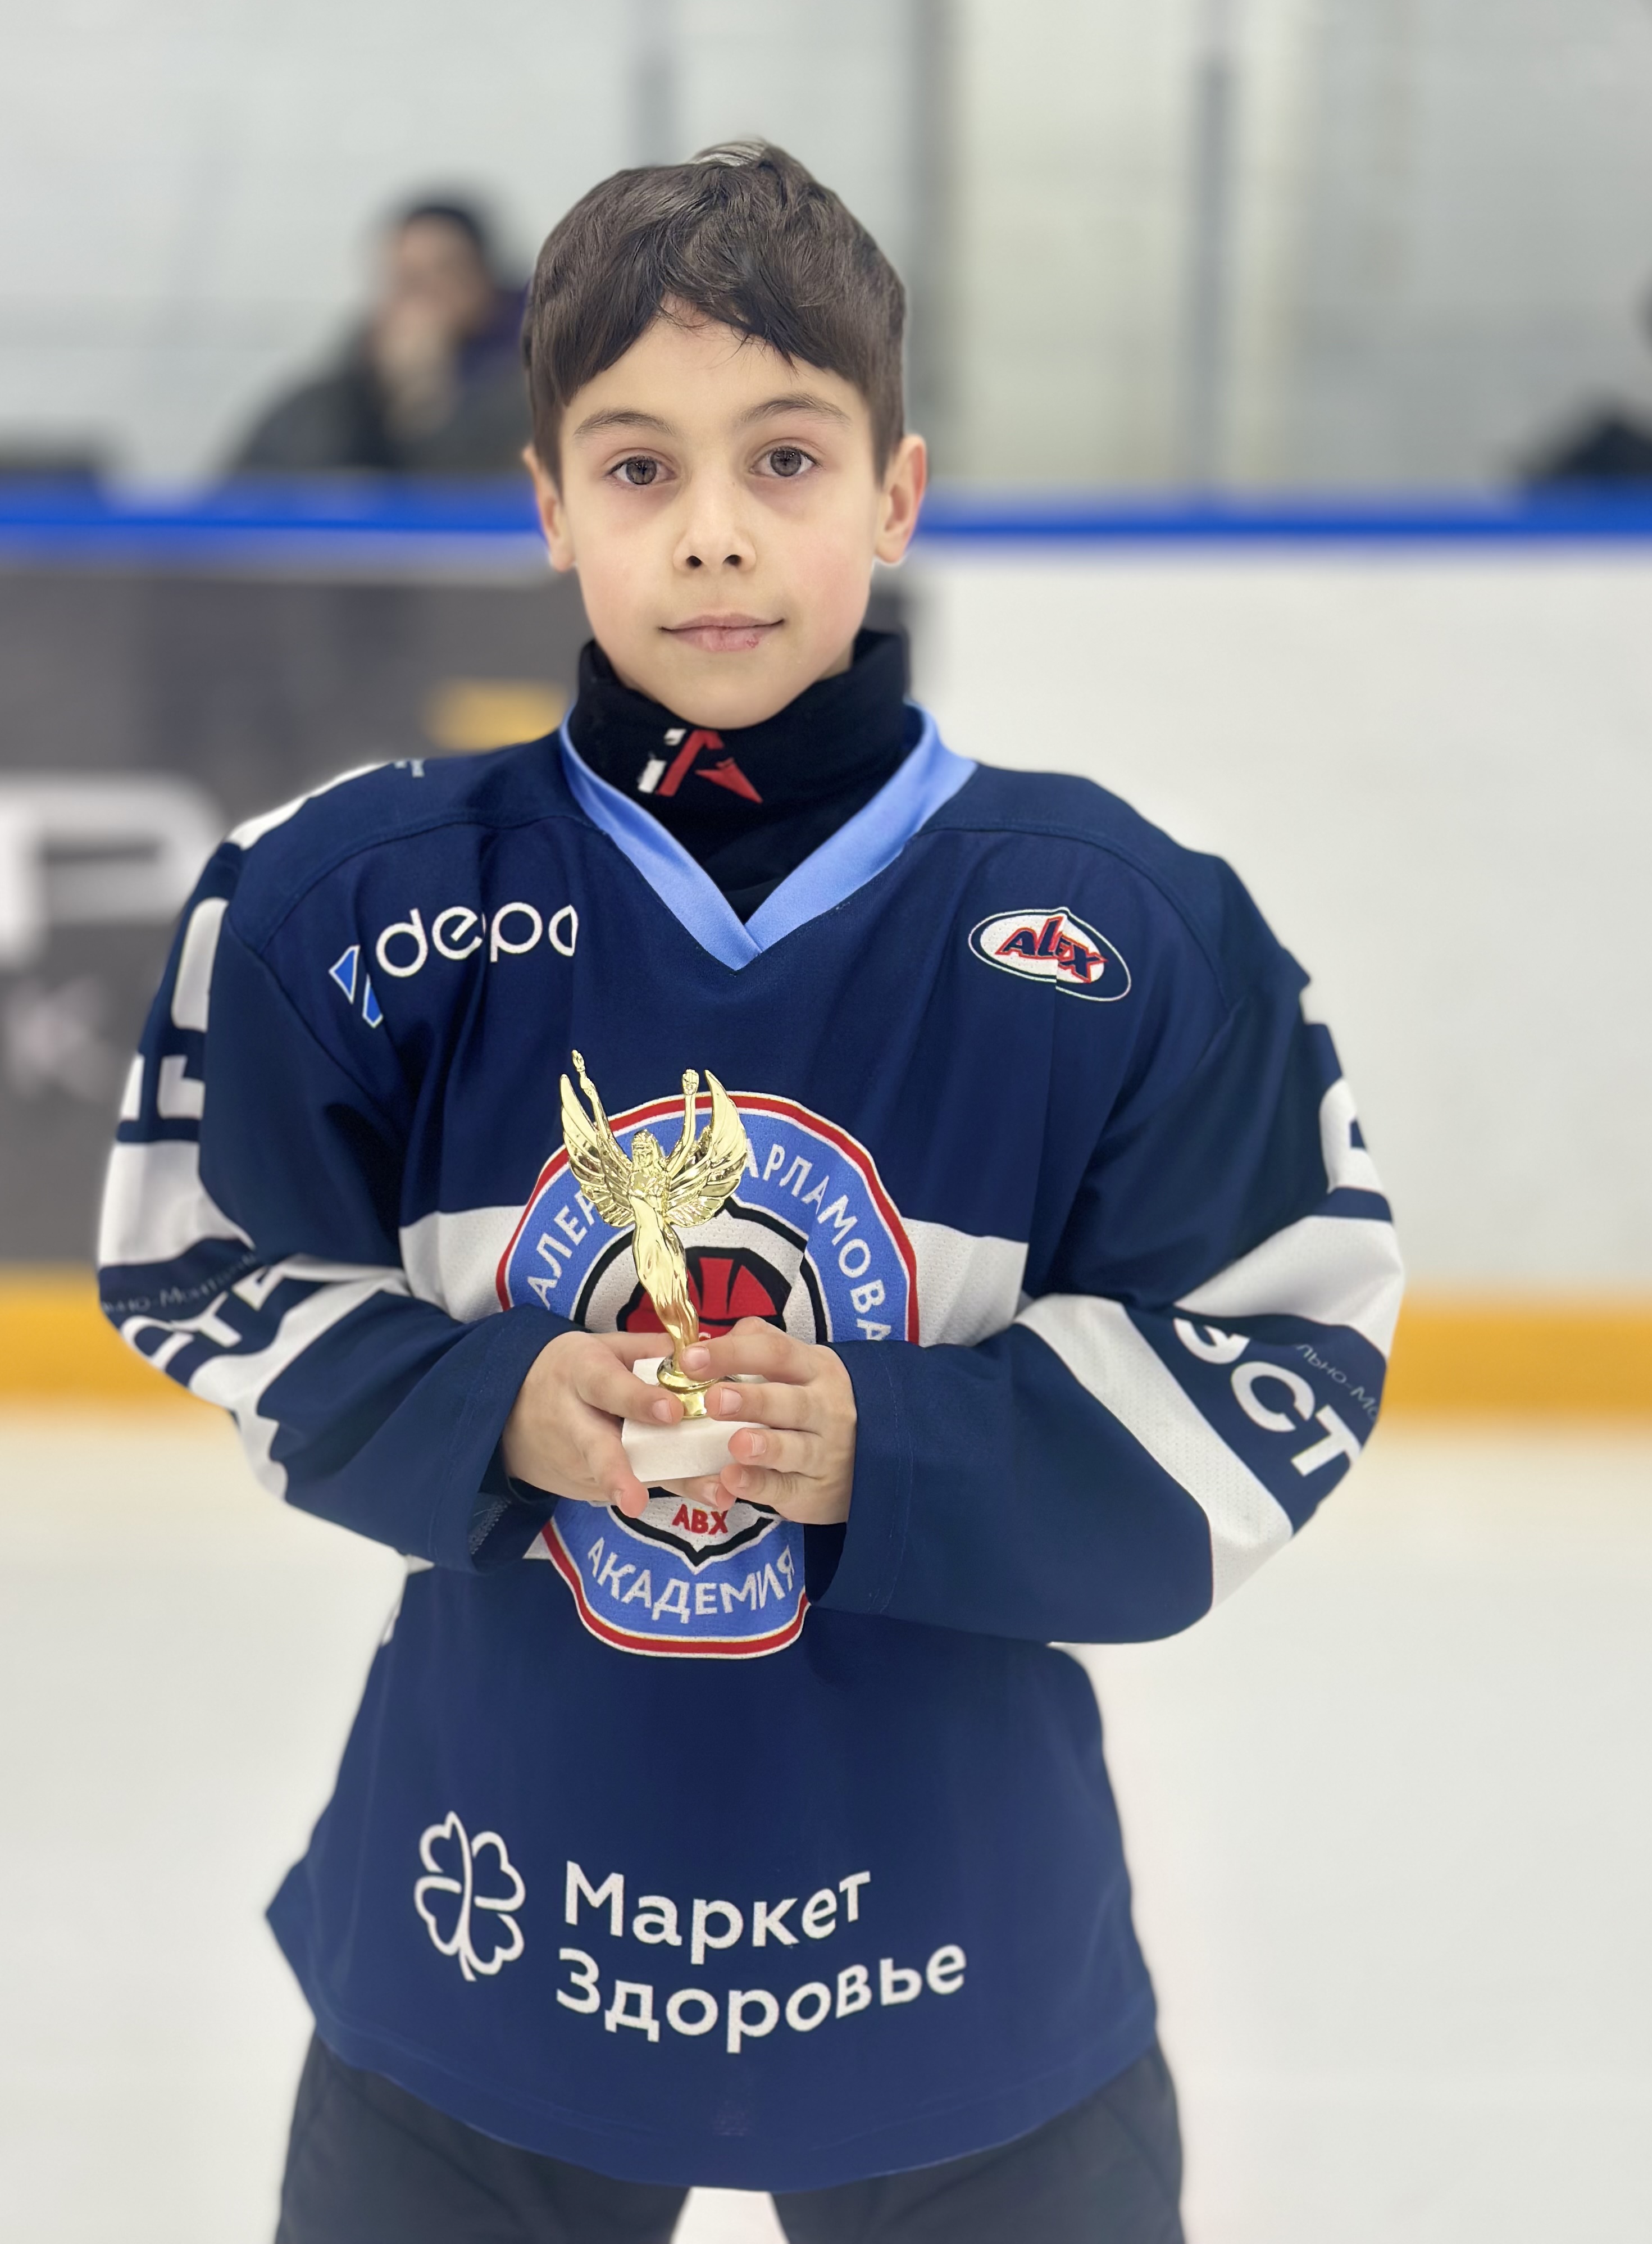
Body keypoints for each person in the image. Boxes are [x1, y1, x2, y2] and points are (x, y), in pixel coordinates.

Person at [98, 141, 1403, 2242]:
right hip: (486, 1932)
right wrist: (491, 1403)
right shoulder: (347, 902)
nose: (712, 531)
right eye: (637, 468)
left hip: (957, 1960)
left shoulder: (1123, 923)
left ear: (894, 492)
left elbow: (1282, 1348)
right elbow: (205, 1260)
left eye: (784, 458)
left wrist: (892, 1439)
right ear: (547, 504)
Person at [230, 197, 529, 474]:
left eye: (443, 272)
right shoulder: (328, 399)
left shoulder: (532, 394)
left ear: (485, 277)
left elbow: (475, 493)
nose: (422, 296)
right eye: (406, 278)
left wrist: (423, 399)